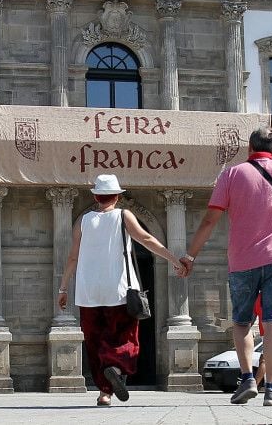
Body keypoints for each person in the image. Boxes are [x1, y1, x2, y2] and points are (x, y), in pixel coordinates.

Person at [180, 126, 272, 407]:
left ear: (249, 148)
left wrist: (190, 256)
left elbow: (210, 220)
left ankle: (248, 378)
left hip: (242, 260)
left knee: (241, 321)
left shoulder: (231, 174)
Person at [58, 174, 187, 407]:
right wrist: (173, 259)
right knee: (125, 337)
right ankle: (114, 367)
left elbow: (72, 256)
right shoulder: (123, 215)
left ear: (96, 196)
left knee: (95, 342)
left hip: (88, 293)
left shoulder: (83, 221)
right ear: (117, 196)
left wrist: (63, 288)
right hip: (119, 291)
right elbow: (146, 238)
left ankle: (104, 393)